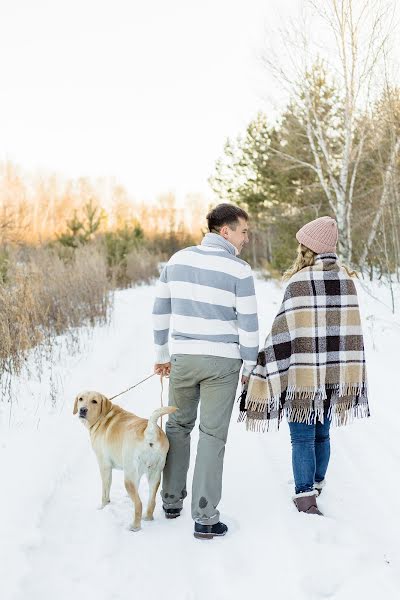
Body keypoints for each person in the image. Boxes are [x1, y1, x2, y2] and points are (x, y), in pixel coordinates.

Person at [240, 216, 369, 515]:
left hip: (303, 374)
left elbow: (281, 334)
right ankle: (317, 481)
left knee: (301, 437)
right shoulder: (347, 281)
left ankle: (305, 496)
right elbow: (350, 334)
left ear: (307, 248)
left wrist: (261, 366)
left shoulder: (299, 283)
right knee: (323, 433)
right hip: (335, 374)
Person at [152, 203, 259, 539]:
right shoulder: (240, 270)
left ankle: (170, 500)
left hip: (183, 358)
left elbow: (160, 310)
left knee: (178, 425)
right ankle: (205, 516)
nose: (246, 239)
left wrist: (162, 353)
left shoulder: (177, 260)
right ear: (224, 230)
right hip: (222, 363)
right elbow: (249, 325)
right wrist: (251, 365)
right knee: (212, 435)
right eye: (243, 231)